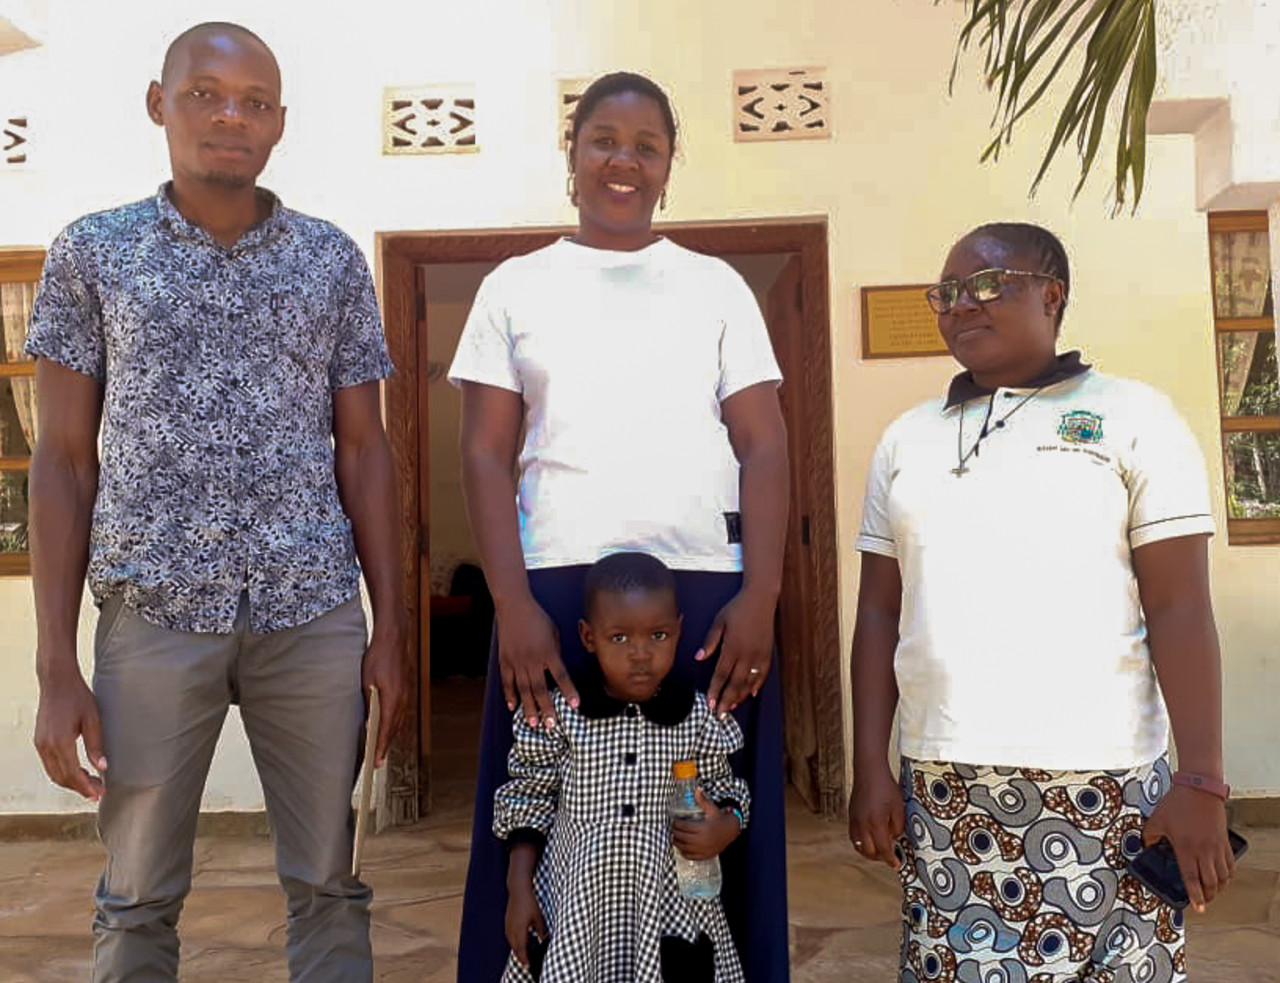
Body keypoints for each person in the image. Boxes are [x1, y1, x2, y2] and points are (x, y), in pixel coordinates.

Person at [26, 22, 404, 983]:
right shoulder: (93, 253)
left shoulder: (330, 261)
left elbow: (365, 448)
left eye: (255, 101)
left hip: (311, 611)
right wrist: (56, 661)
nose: (231, 116)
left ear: (280, 122)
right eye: (206, 93)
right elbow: (62, 460)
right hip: (152, 612)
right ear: (159, 103)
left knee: (330, 882)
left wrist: (392, 629)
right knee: (137, 892)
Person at [448, 71, 791, 982]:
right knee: (540, 807)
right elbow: (484, 453)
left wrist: (762, 592)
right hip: (553, 593)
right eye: (603, 139)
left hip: (705, 599)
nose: (623, 161)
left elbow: (763, 444)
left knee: (712, 823)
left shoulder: (717, 287)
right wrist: (512, 604)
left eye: (647, 145)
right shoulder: (514, 286)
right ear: (572, 153)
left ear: (671, 164)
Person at [848, 221, 1235, 983]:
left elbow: (1181, 606)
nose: (962, 304)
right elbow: (877, 614)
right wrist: (870, 765)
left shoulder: (1135, 416)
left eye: (988, 284)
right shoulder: (906, 439)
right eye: (946, 293)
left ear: (1052, 295)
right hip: (947, 778)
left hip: (1106, 776)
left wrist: (1202, 779)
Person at [496, 551, 749, 982]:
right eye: (618, 638)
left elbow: (726, 788)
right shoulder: (563, 716)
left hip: (669, 906)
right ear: (588, 637)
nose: (640, 654)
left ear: (679, 631)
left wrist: (726, 825)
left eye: (658, 635)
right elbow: (528, 799)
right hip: (581, 906)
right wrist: (518, 890)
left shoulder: (695, 718)